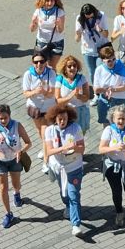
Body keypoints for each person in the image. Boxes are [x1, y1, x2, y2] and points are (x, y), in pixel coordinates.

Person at [40, 102, 90, 238]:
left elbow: (82, 149)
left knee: (74, 194)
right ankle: (67, 205)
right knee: (64, 194)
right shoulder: (50, 131)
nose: (63, 121)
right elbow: (49, 150)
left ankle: (75, 225)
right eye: (60, 119)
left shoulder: (76, 128)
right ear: (55, 119)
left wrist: (74, 146)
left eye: (65, 119)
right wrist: (63, 149)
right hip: (58, 167)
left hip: (74, 167)